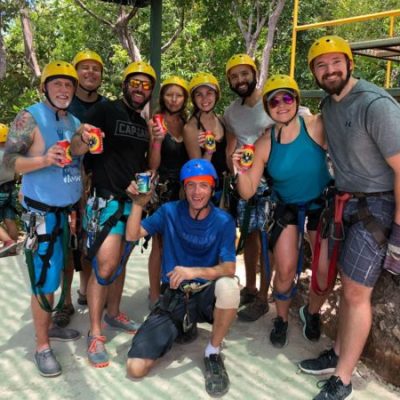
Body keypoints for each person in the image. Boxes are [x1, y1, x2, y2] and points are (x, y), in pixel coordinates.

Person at [298, 35, 400, 400]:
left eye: (335, 62)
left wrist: (399, 233)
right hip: (347, 201)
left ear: (349, 63)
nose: (329, 70)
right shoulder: (330, 103)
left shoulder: (375, 105)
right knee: (345, 283)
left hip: (379, 204)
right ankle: (338, 354)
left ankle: (342, 380)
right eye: (320, 65)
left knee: (357, 293)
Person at [125, 159, 239, 398]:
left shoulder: (223, 221)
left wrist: (193, 271)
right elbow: (132, 235)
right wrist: (137, 204)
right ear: (184, 188)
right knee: (135, 368)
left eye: (203, 185)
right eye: (191, 185)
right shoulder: (169, 212)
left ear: (212, 189)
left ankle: (212, 351)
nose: (197, 192)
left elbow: (229, 267)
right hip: (176, 295)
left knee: (229, 288)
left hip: (206, 292)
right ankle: (181, 327)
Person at [232, 74, 332, 348]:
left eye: (287, 98)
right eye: (274, 101)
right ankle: (282, 319)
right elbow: (248, 190)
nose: (281, 105)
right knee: (285, 270)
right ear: (267, 108)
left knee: (323, 273)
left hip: (319, 208)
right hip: (287, 210)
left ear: (296, 100)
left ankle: (311, 313)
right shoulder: (265, 142)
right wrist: (240, 170)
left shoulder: (315, 126)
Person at [70, 60, 156, 368]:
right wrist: (83, 135)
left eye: (146, 85)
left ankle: (113, 311)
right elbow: (80, 132)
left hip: (131, 202)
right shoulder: (107, 110)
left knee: (120, 261)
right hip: (105, 199)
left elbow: (148, 161)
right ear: (125, 85)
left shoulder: (142, 122)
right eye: (135, 83)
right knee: (104, 267)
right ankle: (94, 333)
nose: (140, 89)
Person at [3, 60, 85, 377]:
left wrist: (85, 141)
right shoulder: (30, 116)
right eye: (58, 84)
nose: (64, 90)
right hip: (41, 213)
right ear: (45, 87)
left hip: (66, 211)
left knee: (63, 271)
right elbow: (7, 163)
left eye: (68, 85)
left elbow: (76, 158)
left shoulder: (73, 119)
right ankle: (41, 346)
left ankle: (48, 327)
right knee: (43, 280)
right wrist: (43, 159)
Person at [52, 50, 107, 328]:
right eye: (84, 68)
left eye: (95, 69)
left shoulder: (107, 106)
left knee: (90, 242)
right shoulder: (62, 105)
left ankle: (85, 292)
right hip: (66, 181)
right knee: (66, 242)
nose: (90, 73)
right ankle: (65, 301)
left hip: (97, 184)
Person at [224, 54, 273, 321]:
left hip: (271, 183)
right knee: (251, 235)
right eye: (234, 76)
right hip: (245, 181)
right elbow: (231, 143)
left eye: (244, 74)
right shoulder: (231, 112)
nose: (240, 80)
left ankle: (264, 296)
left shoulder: (273, 101)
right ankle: (251, 288)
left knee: (267, 239)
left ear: (254, 74)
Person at [147, 75, 189, 307]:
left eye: (179, 94)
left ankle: (173, 287)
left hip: (185, 190)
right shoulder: (156, 120)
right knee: (159, 244)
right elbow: (152, 164)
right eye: (169, 94)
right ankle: (154, 294)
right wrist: (156, 140)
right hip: (163, 188)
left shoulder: (187, 121)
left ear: (185, 98)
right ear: (162, 97)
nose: (174, 99)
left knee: (180, 241)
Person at [183, 72, 229, 201]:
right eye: (199, 94)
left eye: (209, 93)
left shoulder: (221, 119)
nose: (204, 99)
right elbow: (199, 171)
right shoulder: (191, 128)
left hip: (225, 186)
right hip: (205, 190)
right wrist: (208, 152)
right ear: (193, 99)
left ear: (216, 95)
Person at [0, 123, 19, 256]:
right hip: (11, 189)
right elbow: (18, 174)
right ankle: (12, 250)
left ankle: (8, 242)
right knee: (9, 219)